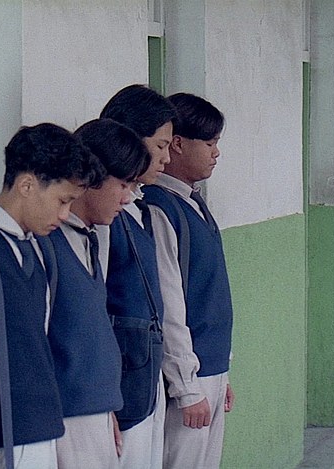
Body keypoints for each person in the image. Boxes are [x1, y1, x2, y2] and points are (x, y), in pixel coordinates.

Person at [0, 123, 105, 468]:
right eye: (62, 201)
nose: (64, 215)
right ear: (27, 185)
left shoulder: (39, 249)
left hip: (40, 427)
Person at [47, 118, 149, 469]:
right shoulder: (47, 244)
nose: (128, 197)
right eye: (123, 184)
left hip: (99, 410)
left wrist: (108, 409)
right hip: (66, 417)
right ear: (92, 177)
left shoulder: (92, 238)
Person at [142, 92, 235, 469]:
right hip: (186, 379)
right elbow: (169, 305)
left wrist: (221, 373)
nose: (216, 153)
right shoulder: (160, 208)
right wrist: (186, 386)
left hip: (208, 370)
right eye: (209, 143)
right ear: (178, 144)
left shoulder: (194, 203)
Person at [99, 84, 176, 469]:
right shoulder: (103, 219)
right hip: (121, 383)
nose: (166, 157)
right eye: (160, 145)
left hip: (146, 375)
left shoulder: (141, 212)